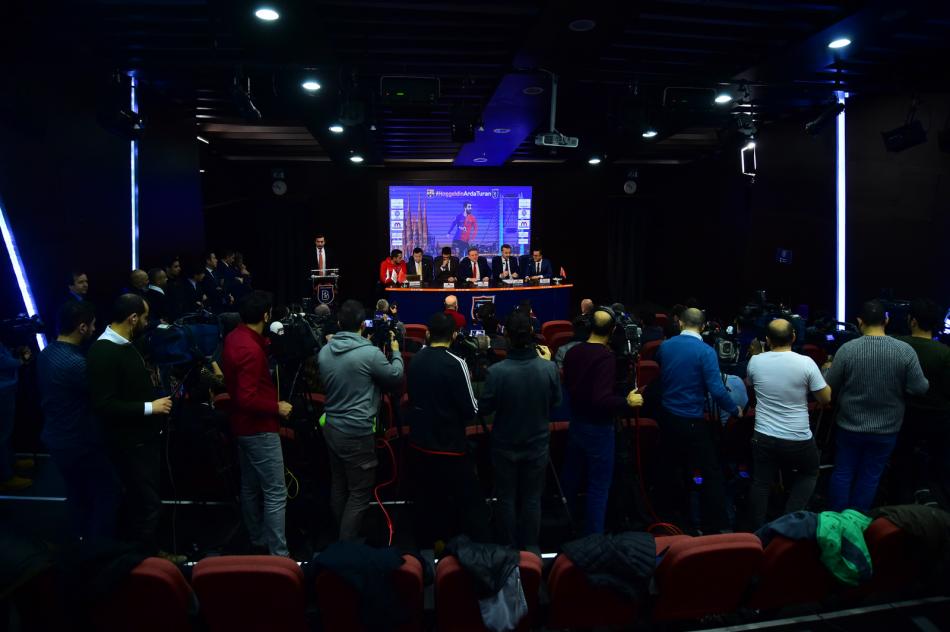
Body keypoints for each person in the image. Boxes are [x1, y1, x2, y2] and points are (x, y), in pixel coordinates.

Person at [87, 294, 178, 559]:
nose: (148, 323)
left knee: (146, 501)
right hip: (130, 444)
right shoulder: (102, 352)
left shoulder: (127, 345)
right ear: (133, 318)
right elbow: (104, 405)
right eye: (145, 317)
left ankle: (144, 555)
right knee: (146, 505)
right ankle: (145, 561)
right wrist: (151, 407)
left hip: (144, 440)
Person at [823, 300, 928, 513]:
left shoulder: (847, 350)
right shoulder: (904, 351)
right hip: (886, 429)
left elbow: (830, 386)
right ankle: (858, 522)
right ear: (886, 320)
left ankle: (836, 521)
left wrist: (826, 369)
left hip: (849, 426)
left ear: (859, 321)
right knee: (870, 476)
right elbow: (920, 388)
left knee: (843, 472)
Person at [318, 300, 404, 541]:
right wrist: (396, 351)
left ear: (339, 323)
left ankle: (341, 538)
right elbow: (395, 377)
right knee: (359, 492)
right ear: (363, 325)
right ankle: (347, 547)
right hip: (357, 431)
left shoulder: (325, 352)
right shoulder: (369, 354)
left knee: (339, 485)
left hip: (332, 427)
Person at [37, 300, 118, 540]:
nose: (94, 329)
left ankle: (78, 541)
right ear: (82, 327)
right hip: (78, 441)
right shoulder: (76, 364)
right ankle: (99, 549)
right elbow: (104, 398)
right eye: (92, 325)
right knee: (107, 492)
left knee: (77, 493)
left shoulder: (46, 354)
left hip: (56, 437)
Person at [656, 307, 742, 533]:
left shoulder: (665, 346)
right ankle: (715, 527)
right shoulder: (706, 351)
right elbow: (717, 389)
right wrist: (734, 410)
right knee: (710, 474)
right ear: (703, 327)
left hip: (668, 419)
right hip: (692, 421)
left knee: (672, 471)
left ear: (680, 323)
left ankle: (673, 525)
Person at [221, 291, 293, 556]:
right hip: (259, 429)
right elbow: (247, 398)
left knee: (250, 487)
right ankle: (279, 555)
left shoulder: (234, 337)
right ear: (265, 315)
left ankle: (257, 539)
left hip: (242, 427)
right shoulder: (250, 350)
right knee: (276, 493)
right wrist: (277, 407)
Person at [480, 311, 560, 549]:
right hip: (536, 444)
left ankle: (508, 549)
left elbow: (485, 408)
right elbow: (556, 402)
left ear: (507, 335)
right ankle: (531, 550)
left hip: (505, 445)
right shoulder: (549, 368)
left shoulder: (497, 372)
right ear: (532, 334)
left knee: (506, 499)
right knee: (532, 499)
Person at [407, 312, 487, 546]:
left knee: (428, 500)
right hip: (450, 447)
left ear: (428, 334)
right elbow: (471, 409)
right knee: (455, 502)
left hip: (420, 444)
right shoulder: (457, 363)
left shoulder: (415, 360)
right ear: (453, 335)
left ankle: (428, 546)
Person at [562, 307, 643, 534]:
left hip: (576, 423)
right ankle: (594, 537)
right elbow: (601, 399)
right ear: (613, 330)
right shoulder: (606, 358)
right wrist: (626, 402)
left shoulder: (572, 352)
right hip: (598, 428)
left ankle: (567, 528)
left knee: (572, 480)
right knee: (598, 487)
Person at [746, 319, 831, 528]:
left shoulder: (755, 361)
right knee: (810, 473)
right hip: (798, 438)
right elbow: (825, 398)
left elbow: (752, 385)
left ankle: (757, 534)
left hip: (763, 436)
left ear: (767, 340)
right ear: (793, 337)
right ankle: (788, 524)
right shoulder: (806, 363)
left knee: (761, 483)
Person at [894, 299, 950, 504]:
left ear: (912, 321)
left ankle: (900, 504)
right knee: (939, 465)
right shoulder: (945, 353)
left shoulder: (897, 346)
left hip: (903, 417)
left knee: (902, 463)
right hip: (938, 420)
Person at [0, 341, 32, 492]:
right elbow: (3, 361)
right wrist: (21, 360)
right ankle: (5, 477)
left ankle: (10, 461)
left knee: (6, 432)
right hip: (2, 390)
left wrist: (14, 351)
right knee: (2, 434)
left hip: (6, 388)